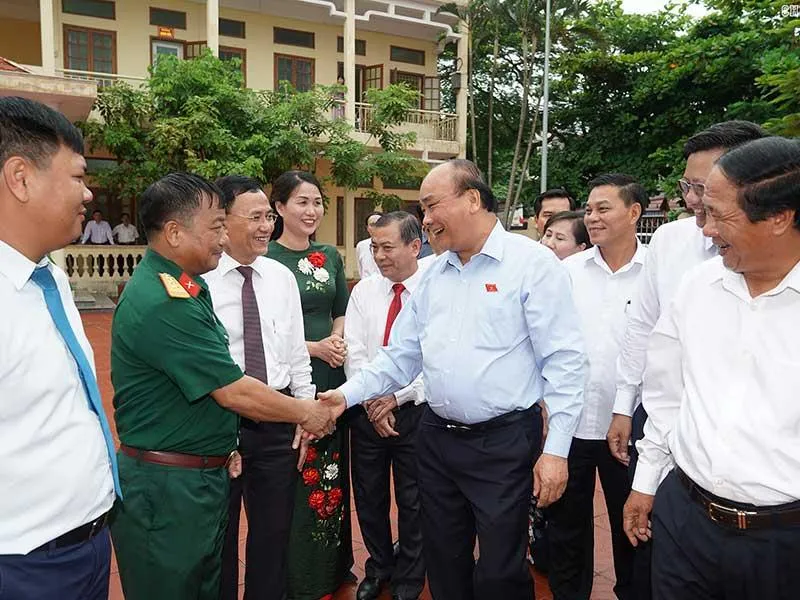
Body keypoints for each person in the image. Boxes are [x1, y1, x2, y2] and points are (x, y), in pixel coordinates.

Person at [320, 159, 587, 600]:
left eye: (431, 206)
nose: (425, 219)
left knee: (500, 572)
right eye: (422, 210)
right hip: (437, 440)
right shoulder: (432, 276)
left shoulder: (532, 265)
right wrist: (343, 398)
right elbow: (400, 357)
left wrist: (556, 451)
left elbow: (565, 361)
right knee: (444, 564)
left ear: (472, 199)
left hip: (502, 443)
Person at [110, 172, 336, 600]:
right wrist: (309, 413)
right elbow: (230, 388)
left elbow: (289, 352)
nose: (222, 238)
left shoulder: (189, 286)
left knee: (240, 553)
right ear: (175, 232)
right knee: (187, 578)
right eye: (216, 226)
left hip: (210, 457)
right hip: (174, 481)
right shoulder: (168, 299)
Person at [623, 136, 800, 600]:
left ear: (779, 218)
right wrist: (646, 483)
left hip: (784, 545)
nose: (706, 230)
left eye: (721, 216)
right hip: (685, 524)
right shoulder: (698, 287)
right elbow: (666, 394)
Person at [0, 96, 118, 599]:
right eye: (77, 176)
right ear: (21, 178)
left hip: (87, 542)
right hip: (23, 563)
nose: (88, 193)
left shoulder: (50, 277)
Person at [205, 175, 316, 600]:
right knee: (219, 534)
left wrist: (304, 411)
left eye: (268, 216)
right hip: (220, 419)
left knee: (273, 534)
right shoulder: (202, 281)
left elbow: (295, 352)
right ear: (223, 221)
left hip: (278, 419)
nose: (266, 226)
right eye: (255, 217)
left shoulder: (280, 277)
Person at [547, 174, 647, 600]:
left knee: (633, 528)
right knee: (565, 531)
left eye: (603, 208)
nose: (592, 217)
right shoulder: (567, 272)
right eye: (588, 210)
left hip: (630, 426)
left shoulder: (656, 273)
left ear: (634, 212)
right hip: (570, 423)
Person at [267, 170, 355, 600]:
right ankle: (296, 574)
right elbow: (266, 332)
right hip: (291, 378)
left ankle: (330, 568)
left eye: (317, 202)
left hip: (331, 376)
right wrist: (314, 348)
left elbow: (340, 308)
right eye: (302, 201)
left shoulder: (330, 256)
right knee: (296, 469)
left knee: (332, 471)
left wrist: (336, 339)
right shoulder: (265, 259)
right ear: (279, 207)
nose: (312, 210)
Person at [345, 211, 427, 600]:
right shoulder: (365, 291)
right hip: (367, 412)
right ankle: (378, 567)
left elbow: (435, 358)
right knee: (369, 495)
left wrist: (398, 397)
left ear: (415, 246)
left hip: (417, 411)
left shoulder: (433, 291)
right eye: (374, 247)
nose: (379, 256)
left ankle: (410, 579)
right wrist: (373, 400)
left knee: (414, 500)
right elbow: (355, 351)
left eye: (388, 247)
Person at [356, 211, 382, 279]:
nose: (376, 227)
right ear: (367, 228)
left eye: (379, 223)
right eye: (372, 224)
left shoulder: (392, 245)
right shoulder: (361, 246)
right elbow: (360, 269)